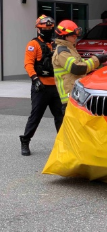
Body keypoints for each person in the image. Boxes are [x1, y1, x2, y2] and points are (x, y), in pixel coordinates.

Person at [20, 15, 64, 156]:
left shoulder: (56, 45)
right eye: (45, 28)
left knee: (60, 116)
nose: (48, 31)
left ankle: (63, 144)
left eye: (50, 28)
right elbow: (28, 64)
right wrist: (35, 79)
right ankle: (25, 141)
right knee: (36, 116)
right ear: (39, 30)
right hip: (41, 87)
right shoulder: (33, 45)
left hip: (56, 87)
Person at [52, 20, 107, 114]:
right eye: (73, 35)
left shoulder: (70, 49)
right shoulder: (62, 52)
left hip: (75, 94)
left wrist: (99, 64)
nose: (76, 37)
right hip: (69, 97)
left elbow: (83, 64)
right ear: (64, 36)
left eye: (76, 35)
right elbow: (77, 68)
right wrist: (97, 60)